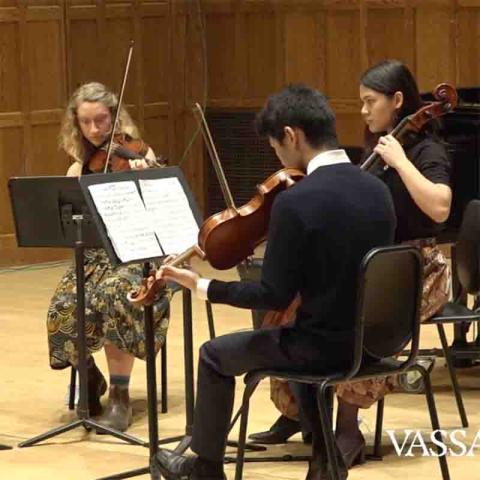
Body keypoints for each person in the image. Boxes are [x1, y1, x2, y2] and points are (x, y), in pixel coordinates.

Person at [152, 84, 397, 480]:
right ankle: (324, 463)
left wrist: (201, 285)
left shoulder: (296, 202)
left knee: (215, 354)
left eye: (276, 147)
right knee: (297, 334)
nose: (279, 157)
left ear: (291, 136)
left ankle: (205, 469)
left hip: (324, 349)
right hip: (375, 345)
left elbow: (273, 294)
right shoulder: (378, 190)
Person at [251, 60, 452, 471]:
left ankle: (346, 427)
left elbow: (440, 208)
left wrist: (400, 162)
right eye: (361, 102)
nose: (363, 110)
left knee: (362, 318)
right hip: (365, 262)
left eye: (370, 101)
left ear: (397, 101)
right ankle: (298, 413)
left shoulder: (425, 150)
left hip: (412, 267)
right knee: (292, 306)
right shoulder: (373, 146)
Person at [47, 82, 172, 432]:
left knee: (115, 295)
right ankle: (90, 378)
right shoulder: (79, 168)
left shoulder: (138, 155)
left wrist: (147, 179)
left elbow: (161, 212)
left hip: (138, 255)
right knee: (63, 306)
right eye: (85, 122)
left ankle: (119, 395)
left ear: (114, 116)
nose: (94, 130)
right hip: (94, 258)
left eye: (100, 120)